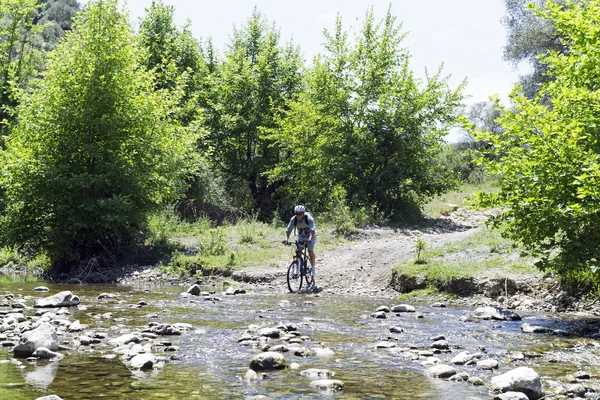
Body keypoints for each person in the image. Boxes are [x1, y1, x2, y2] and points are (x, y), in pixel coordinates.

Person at [284, 205, 317, 284]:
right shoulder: (293, 219)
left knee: (310, 250)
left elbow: (312, 230)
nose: (299, 215)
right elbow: (288, 231)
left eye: (300, 213)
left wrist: (309, 239)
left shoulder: (308, 218)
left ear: (303, 213)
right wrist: (286, 239)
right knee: (298, 251)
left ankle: (313, 268)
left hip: (310, 236)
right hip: (301, 237)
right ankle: (297, 267)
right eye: (297, 213)